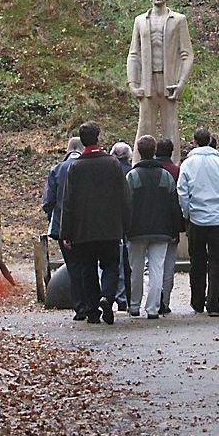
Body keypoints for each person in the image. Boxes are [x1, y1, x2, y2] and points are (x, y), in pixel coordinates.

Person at [61, 122, 131, 325]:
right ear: (98, 138)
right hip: (110, 228)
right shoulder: (112, 164)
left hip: (83, 230)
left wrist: (67, 232)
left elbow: (68, 202)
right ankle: (107, 297)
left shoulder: (76, 167)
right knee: (110, 265)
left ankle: (92, 311)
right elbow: (124, 197)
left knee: (87, 269)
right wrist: (126, 225)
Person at [127, 0, 195, 163]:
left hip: (169, 81)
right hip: (147, 83)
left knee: (170, 128)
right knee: (144, 127)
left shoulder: (178, 20)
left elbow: (187, 54)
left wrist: (181, 83)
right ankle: (138, 165)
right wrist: (133, 84)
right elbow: (134, 53)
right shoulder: (140, 21)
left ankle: (173, 166)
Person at [177, 127, 219, 316]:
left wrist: (187, 214)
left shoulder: (188, 164)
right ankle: (213, 302)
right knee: (216, 262)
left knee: (197, 261)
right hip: (218, 220)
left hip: (196, 220)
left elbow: (182, 192)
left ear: (194, 142)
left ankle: (197, 301)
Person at [125, 136, 182, 319]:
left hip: (136, 230)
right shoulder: (165, 176)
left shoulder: (132, 176)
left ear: (139, 152)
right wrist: (175, 229)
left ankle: (134, 305)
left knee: (136, 269)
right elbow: (174, 205)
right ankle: (153, 308)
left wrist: (125, 228)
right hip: (162, 229)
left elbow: (126, 205)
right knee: (157, 269)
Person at [41, 137, 86, 320]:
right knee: (88, 264)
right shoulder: (87, 167)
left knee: (73, 266)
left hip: (62, 226)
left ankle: (79, 307)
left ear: (68, 150)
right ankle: (91, 302)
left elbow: (48, 201)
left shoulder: (57, 169)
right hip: (86, 226)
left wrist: (53, 215)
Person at [155, 137, 180, 315]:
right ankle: (165, 301)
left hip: (147, 225)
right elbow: (178, 201)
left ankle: (152, 299)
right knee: (168, 267)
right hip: (170, 225)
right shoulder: (176, 171)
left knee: (153, 265)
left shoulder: (143, 170)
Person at [110, 141, 134, 310]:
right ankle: (127, 296)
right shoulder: (132, 173)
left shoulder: (109, 173)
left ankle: (119, 296)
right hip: (130, 223)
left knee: (115, 261)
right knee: (129, 262)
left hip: (113, 223)